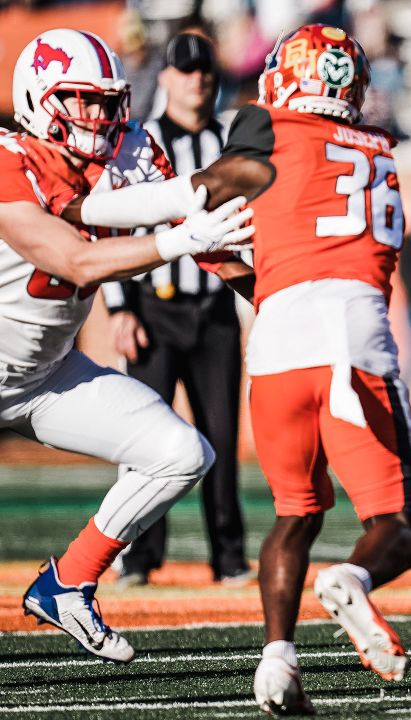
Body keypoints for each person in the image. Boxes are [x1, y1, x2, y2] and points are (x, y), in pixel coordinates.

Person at [64, 24, 411, 716]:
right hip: (352, 336)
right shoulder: (382, 150)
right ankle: (352, 577)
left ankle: (277, 661)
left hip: (280, 339)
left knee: (295, 515)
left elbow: (202, 206)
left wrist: (92, 210)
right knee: (397, 525)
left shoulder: (269, 128)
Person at [5, 28, 253, 663]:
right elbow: (70, 260)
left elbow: (210, 238)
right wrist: (177, 241)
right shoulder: (9, 157)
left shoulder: (132, 151)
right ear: (37, 100)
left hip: (41, 377)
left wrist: (277, 304)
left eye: (108, 101)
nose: (100, 117)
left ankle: (68, 582)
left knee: (181, 452)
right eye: (81, 101)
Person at [103, 31, 250, 587]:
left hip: (214, 311)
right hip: (153, 309)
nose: (197, 80)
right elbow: (113, 224)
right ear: (164, 77)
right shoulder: (139, 141)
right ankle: (138, 555)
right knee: (144, 438)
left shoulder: (228, 142)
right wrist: (119, 306)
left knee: (221, 435)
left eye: (205, 71)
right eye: (186, 71)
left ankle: (228, 555)